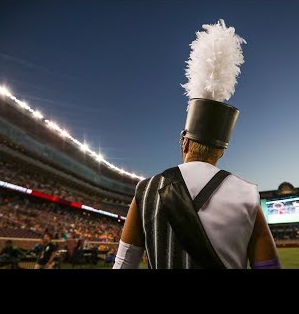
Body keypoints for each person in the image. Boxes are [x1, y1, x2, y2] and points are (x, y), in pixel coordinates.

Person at [113, 19, 280, 269]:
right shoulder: (247, 195)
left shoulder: (145, 190)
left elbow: (123, 265)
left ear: (184, 143)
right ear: (221, 151)